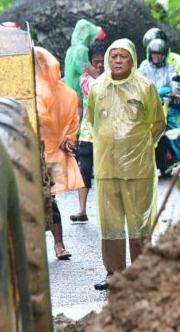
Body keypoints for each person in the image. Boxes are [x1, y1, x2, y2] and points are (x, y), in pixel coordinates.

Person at [86, 38, 166, 290]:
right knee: (110, 221)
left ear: (132, 59)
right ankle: (114, 273)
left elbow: (158, 122)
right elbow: (91, 120)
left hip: (138, 168)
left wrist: (140, 146)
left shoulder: (145, 87)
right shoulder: (98, 87)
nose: (117, 60)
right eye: (114, 56)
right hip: (107, 166)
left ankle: (142, 272)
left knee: (139, 221)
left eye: (123, 56)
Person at [34, 46, 85, 260]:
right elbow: (72, 118)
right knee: (48, 200)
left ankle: (56, 244)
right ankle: (58, 245)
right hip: (46, 152)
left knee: (46, 200)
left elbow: (43, 120)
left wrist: (61, 139)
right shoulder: (60, 90)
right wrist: (66, 139)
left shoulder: (41, 89)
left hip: (40, 152)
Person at [138, 38, 180, 175]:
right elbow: (137, 84)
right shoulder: (144, 69)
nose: (157, 56)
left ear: (164, 54)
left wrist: (176, 91)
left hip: (166, 105)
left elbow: (174, 81)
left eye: (160, 54)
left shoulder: (170, 68)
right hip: (149, 107)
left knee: (178, 129)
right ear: (150, 54)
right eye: (154, 53)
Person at [70, 40, 107, 222]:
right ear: (90, 61)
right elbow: (94, 91)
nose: (99, 65)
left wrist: (98, 75)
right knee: (84, 171)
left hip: (107, 134)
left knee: (106, 173)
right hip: (87, 133)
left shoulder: (112, 79)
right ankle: (82, 210)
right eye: (95, 61)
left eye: (102, 61)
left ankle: (107, 211)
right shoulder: (85, 79)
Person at [64, 19, 100, 96]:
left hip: (68, 92)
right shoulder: (81, 50)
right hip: (77, 94)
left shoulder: (70, 50)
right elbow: (90, 71)